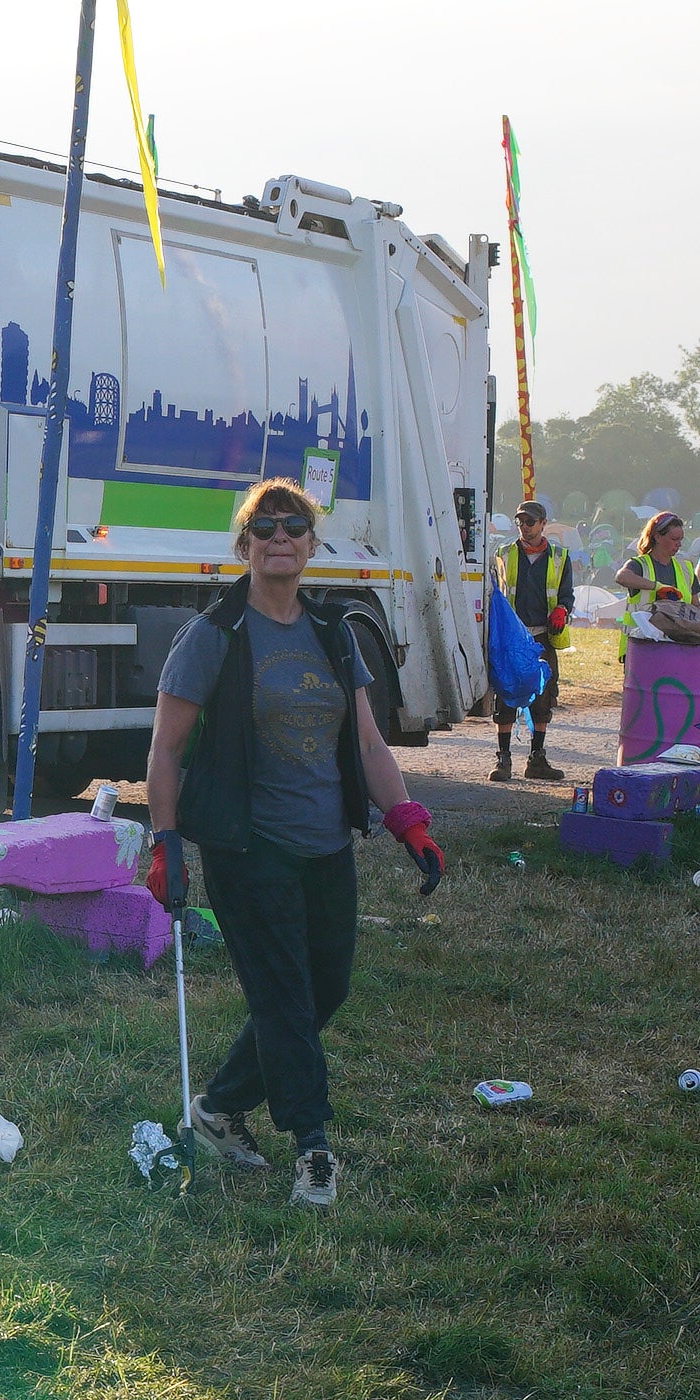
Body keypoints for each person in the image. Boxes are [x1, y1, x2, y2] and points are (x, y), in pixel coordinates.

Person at [142, 477, 445, 1209]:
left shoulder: (336, 633)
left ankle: (217, 1110)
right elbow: (165, 750)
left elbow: (369, 741)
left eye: (295, 526)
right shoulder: (213, 634)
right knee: (282, 997)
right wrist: (167, 844)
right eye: (265, 528)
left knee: (325, 988)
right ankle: (313, 1147)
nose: (281, 538)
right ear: (244, 545)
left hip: (324, 843)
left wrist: (406, 819)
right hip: (247, 845)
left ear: (313, 544)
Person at [490, 500, 574, 782]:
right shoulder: (503, 554)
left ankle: (537, 759)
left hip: (543, 637)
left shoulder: (560, 557)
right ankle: (504, 760)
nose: (524, 528)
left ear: (543, 524)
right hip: (512, 638)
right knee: (506, 696)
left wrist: (563, 609)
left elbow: (566, 594)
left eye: (530, 522)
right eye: (520, 522)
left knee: (543, 698)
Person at [613, 509, 700, 647]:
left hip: (677, 646)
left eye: (680, 539)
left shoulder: (686, 568)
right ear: (657, 537)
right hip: (641, 646)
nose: (679, 544)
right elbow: (621, 577)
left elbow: (695, 606)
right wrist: (657, 587)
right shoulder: (639, 564)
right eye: (674, 539)